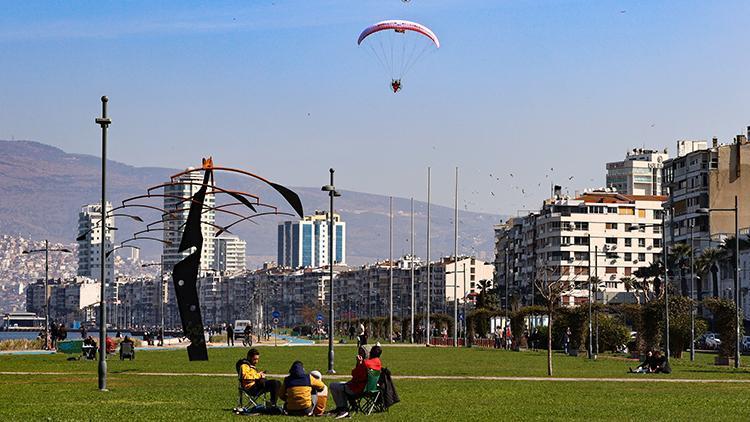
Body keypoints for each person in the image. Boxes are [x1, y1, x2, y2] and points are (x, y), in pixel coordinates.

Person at [330, 345, 383, 419]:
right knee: (341, 385)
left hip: (360, 389)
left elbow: (354, 375)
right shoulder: (378, 362)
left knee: (333, 385)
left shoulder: (366, 364)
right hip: (372, 389)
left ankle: (343, 409)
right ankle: (347, 407)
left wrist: (359, 363)